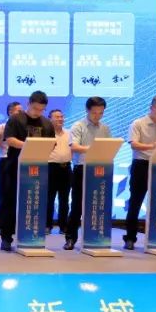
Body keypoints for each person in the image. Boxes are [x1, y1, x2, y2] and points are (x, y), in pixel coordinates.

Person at [0, 91, 54, 252]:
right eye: (35, 108)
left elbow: (51, 143)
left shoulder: (47, 123)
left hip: (37, 169)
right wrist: (29, 146)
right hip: (15, 167)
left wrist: (42, 147)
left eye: (41, 110)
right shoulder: (16, 119)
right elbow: (10, 139)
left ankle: (32, 236)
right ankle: (6, 238)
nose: (38, 112)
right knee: (10, 203)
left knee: (35, 202)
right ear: (28, 103)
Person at [124, 94, 156, 250]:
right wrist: (153, 146)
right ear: (151, 107)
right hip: (141, 164)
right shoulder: (138, 123)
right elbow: (134, 144)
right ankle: (130, 238)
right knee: (136, 202)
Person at [64, 96, 111, 251]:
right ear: (87, 110)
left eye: (101, 113)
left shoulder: (105, 128)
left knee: (98, 204)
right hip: (82, 169)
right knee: (77, 205)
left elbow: (108, 147)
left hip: (100, 169)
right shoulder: (78, 126)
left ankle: (95, 237)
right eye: (94, 113)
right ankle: (70, 238)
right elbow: (74, 146)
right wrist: (93, 149)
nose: (97, 116)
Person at [0, 101, 22, 235]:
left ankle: (15, 224)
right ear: (10, 112)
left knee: (18, 194)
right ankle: (0, 225)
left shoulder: (24, 127)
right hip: (5, 161)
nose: (22, 114)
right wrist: (1, 135)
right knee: (4, 194)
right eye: (18, 111)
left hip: (21, 162)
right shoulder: (1, 127)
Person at [46, 109, 72, 236]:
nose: (60, 119)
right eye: (57, 117)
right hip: (51, 167)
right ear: (49, 119)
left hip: (66, 168)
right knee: (49, 198)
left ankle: (63, 226)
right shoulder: (46, 133)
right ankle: (47, 225)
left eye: (61, 116)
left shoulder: (69, 133)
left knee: (64, 198)